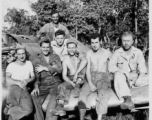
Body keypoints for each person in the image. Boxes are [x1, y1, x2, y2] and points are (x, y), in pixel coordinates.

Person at [109, 31, 148, 110]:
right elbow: (110, 67)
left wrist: (140, 78)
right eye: (124, 41)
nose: (126, 43)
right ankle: (128, 99)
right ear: (121, 41)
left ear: (132, 41)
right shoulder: (117, 53)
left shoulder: (138, 52)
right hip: (122, 80)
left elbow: (142, 68)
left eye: (128, 41)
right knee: (117, 74)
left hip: (135, 78)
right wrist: (124, 72)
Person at [78, 33, 112, 120]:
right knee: (82, 95)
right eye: (92, 42)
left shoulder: (107, 53)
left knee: (103, 94)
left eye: (96, 42)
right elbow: (88, 70)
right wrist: (90, 83)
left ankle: (99, 118)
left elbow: (113, 67)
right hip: (91, 77)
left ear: (100, 42)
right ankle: (81, 118)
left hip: (103, 78)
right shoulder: (89, 53)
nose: (94, 45)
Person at [52, 39, 87, 116]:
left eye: (73, 47)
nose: (71, 50)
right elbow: (64, 76)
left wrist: (77, 74)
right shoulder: (65, 60)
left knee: (82, 67)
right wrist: (71, 82)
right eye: (69, 48)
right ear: (67, 48)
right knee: (61, 86)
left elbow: (85, 61)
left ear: (76, 48)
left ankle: (78, 87)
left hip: (81, 77)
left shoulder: (80, 56)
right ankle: (60, 107)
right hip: (71, 78)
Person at [31, 39, 62, 120]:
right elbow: (37, 77)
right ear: (40, 48)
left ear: (50, 48)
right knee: (34, 96)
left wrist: (45, 68)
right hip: (43, 84)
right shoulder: (36, 60)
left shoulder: (55, 57)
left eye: (47, 47)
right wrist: (36, 86)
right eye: (43, 47)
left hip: (55, 82)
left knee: (54, 98)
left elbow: (59, 70)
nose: (45, 49)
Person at [5, 47, 35, 120]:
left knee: (27, 110)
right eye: (19, 54)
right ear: (16, 55)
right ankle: (10, 111)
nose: (21, 56)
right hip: (14, 87)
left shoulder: (29, 63)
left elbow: (33, 76)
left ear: (25, 54)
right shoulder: (11, 65)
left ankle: (10, 111)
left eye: (23, 54)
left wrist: (27, 80)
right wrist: (18, 82)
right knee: (28, 109)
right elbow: (7, 79)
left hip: (24, 87)